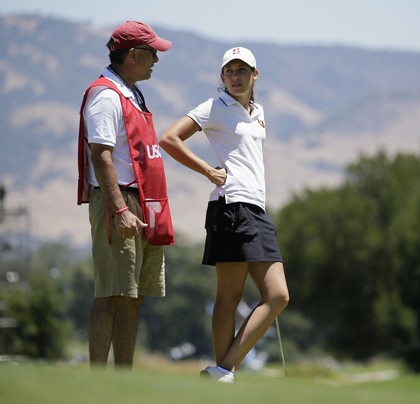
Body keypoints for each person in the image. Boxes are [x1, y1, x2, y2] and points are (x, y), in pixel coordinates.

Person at [160, 46, 289, 383]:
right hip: (230, 207)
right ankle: (224, 374)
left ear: (255, 75)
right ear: (222, 77)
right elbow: (170, 139)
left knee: (278, 295)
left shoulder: (259, 112)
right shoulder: (215, 107)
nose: (235, 76)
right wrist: (206, 169)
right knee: (228, 298)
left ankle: (221, 371)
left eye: (242, 70)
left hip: (256, 209)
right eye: (229, 71)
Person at [76, 21, 175, 369]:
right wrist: (120, 209)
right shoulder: (105, 95)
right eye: (152, 54)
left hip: (142, 203)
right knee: (112, 294)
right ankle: (99, 380)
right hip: (120, 203)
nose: (156, 61)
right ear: (133, 55)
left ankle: (123, 379)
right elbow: (100, 154)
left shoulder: (131, 91)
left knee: (133, 298)